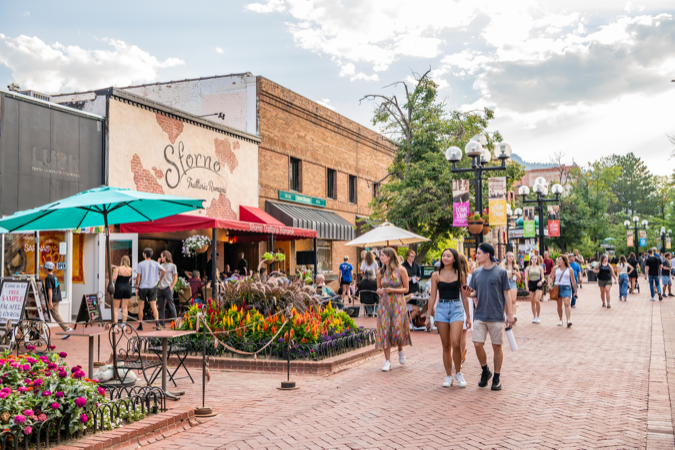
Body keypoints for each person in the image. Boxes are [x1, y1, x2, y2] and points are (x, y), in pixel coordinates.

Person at [468, 243, 514, 391]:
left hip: (496, 315)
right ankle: (485, 370)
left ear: (488, 254)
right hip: (480, 314)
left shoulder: (501, 272)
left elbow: (506, 293)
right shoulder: (476, 272)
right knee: (477, 344)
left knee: (496, 347)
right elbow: (475, 292)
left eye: (479, 253)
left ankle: (497, 377)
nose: (477, 256)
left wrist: (510, 314)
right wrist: (468, 293)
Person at [426, 248, 471, 388]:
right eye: (443, 255)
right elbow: (432, 296)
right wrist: (428, 316)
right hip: (441, 309)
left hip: (457, 308)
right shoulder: (436, 275)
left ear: (454, 259)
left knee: (456, 343)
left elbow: (464, 296)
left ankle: (458, 373)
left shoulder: (460, 274)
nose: (445, 258)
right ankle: (448, 376)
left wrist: (468, 316)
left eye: (448, 256)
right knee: (446, 345)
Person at [375, 247, 411, 372]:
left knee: (397, 328)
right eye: (380, 254)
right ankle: (387, 361)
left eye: (383, 254)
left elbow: (406, 289)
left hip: (398, 303)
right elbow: (378, 289)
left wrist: (393, 290)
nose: (381, 257)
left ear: (389, 257)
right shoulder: (380, 272)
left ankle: (400, 349)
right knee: (385, 330)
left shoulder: (401, 270)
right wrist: (379, 291)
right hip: (384, 304)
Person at [136, 248, 165, 331]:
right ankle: (157, 324)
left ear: (145, 255)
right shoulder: (155, 263)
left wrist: (137, 288)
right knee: (154, 306)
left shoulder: (141, 264)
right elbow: (164, 270)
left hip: (143, 287)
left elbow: (138, 277)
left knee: (141, 306)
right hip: (152, 287)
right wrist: (159, 279)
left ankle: (140, 325)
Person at [44, 262, 73, 339]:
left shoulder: (48, 278)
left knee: (55, 315)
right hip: (56, 298)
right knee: (46, 315)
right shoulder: (54, 276)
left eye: (44, 267)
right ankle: (42, 333)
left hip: (52, 299)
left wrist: (50, 302)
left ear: (46, 269)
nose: (43, 269)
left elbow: (50, 290)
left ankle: (67, 328)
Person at [548, 255, 577, 327]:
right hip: (557, 287)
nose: (559, 261)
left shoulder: (569, 269)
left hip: (566, 287)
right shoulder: (555, 268)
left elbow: (573, 281)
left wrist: (575, 290)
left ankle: (568, 320)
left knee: (567, 303)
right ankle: (560, 319)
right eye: (558, 260)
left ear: (564, 261)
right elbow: (550, 276)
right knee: (559, 305)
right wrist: (549, 285)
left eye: (560, 260)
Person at [458, 254, 474, 364]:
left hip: (464, 303)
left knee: (461, 333)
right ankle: (461, 355)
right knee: (462, 334)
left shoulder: (467, 276)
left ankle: (461, 355)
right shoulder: (469, 276)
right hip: (466, 303)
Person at [157, 250, 178, 326]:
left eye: (162, 256)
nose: (160, 257)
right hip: (160, 288)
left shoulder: (173, 266)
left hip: (168, 288)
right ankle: (162, 324)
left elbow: (176, 277)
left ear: (165, 257)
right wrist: (158, 264)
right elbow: (158, 274)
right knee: (161, 307)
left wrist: (171, 287)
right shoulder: (161, 265)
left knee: (171, 306)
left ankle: (175, 324)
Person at [402, 250, 422, 323]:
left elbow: (419, 275)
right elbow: (400, 278)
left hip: (415, 287)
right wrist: (407, 279)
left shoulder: (416, 265)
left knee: (414, 303)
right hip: (407, 288)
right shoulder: (403, 266)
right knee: (407, 303)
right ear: (407, 256)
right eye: (411, 256)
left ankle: (412, 320)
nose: (413, 257)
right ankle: (407, 321)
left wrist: (418, 278)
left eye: (414, 256)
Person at [112, 256, 133, 324]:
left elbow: (114, 278)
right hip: (127, 287)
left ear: (122, 261)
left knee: (116, 308)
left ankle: (116, 324)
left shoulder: (118, 268)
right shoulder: (130, 269)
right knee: (124, 307)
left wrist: (113, 272)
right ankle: (124, 324)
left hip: (119, 287)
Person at [501, 252, 520, 323]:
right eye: (510, 256)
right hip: (506, 282)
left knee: (513, 300)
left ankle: (514, 315)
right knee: (506, 301)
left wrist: (515, 273)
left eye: (512, 256)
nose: (511, 257)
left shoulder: (515, 266)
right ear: (507, 257)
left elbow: (519, 278)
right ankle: (507, 315)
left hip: (512, 282)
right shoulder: (503, 265)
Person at [525, 253, 544, 323]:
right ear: (530, 260)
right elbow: (526, 278)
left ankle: (538, 316)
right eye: (532, 259)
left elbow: (543, 278)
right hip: (531, 284)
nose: (534, 260)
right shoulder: (528, 268)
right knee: (532, 302)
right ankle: (534, 316)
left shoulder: (540, 268)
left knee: (537, 300)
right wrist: (526, 286)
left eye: (535, 259)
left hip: (538, 284)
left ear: (537, 260)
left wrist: (541, 282)